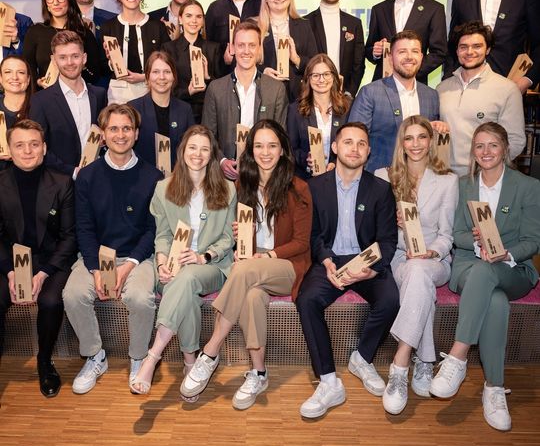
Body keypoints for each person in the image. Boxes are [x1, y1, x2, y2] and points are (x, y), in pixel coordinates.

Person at [180, 120, 312, 409]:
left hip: (287, 265)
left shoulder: (298, 187)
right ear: (250, 150)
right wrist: (243, 234)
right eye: (259, 146)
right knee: (251, 297)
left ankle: (210, 350)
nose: (265, 152)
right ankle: (258, 373)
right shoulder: (242, 186)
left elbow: (302, 242)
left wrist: (267, 256)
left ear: (283, 150)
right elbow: (240, 242)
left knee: (241, 270)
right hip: (253, 264)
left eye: (272, 145)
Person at [430, 122, 540, 432]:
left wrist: (505, 253)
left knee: (491, 277)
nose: (486, 151)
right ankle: (494, 387)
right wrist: (478, 243)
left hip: (514, 269)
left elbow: (534, 240)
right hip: (470, 265)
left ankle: (457, 357)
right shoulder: (463, 185)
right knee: (495, 300)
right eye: (479, 146)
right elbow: (456, 234)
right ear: (473, 152)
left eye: (493, 144)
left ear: (505, 148)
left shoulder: (528, 187)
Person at [296, 122, 399, 419]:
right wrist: (326, 260)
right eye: (348, 142)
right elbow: (313, 234)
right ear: (335, 147)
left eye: (361, 143)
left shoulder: (381, 189)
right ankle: (329, 381)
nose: (354, 148)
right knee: (307, 299)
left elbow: (387, 240)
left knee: (391, 299)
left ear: (368, 151)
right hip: (330, 260)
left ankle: (362, 358)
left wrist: (373, 269)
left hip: (365, 261)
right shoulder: (315, 186)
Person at [62, 104, 162, 394]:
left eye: (127, 128)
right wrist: (95, 269)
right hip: (95, 255)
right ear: (103, 135)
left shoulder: (153, 177)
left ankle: (138, 358)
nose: (121, 134)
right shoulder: (87, 176)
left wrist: (129, 265)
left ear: (136, 133)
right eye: (114, 128)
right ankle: (95, 356)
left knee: (141, 298)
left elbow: (152, 230)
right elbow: (84, 228)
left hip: (138, 257)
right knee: (73, 294)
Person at [130, 124, 236, 396]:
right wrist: (162, 263)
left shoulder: (227, 189)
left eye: (204, 149)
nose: (198, 154)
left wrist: (202, 256)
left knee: (187, 277)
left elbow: (228, 238)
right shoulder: (164, 188)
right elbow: (163, 235)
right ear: (182, 151)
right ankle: (190, 362)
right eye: (192, 147)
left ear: (212, 154)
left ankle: (152, 356)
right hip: (174, 266)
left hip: (211, 266)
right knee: (184, 288)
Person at [374, 116, 458, 415]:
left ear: (430, 141)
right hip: (399, 257)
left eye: (422, 137)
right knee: (417, 280)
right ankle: (424, 361)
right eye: (409, 138)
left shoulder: (447, 180)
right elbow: (375, 230)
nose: (416, 144)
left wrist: (432, 252)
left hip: (435, 260)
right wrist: (393, 223)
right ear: (402, 143)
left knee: (420, 271)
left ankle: (400, 363)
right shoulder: (384, 176)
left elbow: (447, 235)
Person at [0, 119, 77, 397]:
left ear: (44, 148)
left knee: (50, 300)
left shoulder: (62, 183)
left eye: (34, 144)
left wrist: (43, 273)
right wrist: (11, 271)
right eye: (20, 145)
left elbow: (70, 236)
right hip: (8, 259)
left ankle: (45, 362)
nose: (27, 151)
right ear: (9, 149)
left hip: (51, 260)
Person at [437, 21, 525, 176]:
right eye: (463, 47)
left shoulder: (507, 89)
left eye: (477, 46)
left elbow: (515, 140)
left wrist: (487, 172)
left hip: (482, 177)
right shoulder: (442, 89)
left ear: (488, 49)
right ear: (457, 51)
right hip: (444, 177)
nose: (469, 52)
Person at [202, 21, 288, 180]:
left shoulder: (276, 89)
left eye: (252, 45)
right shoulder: (215, 88)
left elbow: (280, 137)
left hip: (264, 175)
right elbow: (208, 135)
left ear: (259, 48)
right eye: (241, 45)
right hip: (225, 178)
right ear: (232, 48)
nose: (246, 51)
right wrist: (221, 161)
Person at [348, 30, 442, 172]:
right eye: (402, 52)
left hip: (421, 177)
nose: (409, 57)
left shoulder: (431, 96)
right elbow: (354, 138)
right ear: (390, 58)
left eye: (415, 51)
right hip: (379, 178)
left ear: (421, 57)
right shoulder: (370, 93)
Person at [28, 30, 107, 178]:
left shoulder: (99, 94)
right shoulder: (40, 101)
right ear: (54, 60)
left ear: (84, 58)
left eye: (75, 56)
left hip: (97, 176)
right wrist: (72, 171)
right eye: (63, 57)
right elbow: (37, 146)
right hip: (59, 181)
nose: (70, 62)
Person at [365, 0, 447, 85]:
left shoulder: (434, 9)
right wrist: (375, 51)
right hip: (382, 84)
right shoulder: (379, 9)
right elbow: (369, 49)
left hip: (415, 83)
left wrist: (410, 71)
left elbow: (439, 52)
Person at [101, 0, 169, 104]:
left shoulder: (157, 26)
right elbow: (102, 67)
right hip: (118, 93)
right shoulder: (108, 27)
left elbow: (167, 62)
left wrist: (144, 77)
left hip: (151, 88)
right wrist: (110, 62)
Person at [22, 0, 103, 87]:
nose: (55, 2)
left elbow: (95, 74)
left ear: (69, 0)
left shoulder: (84, 33)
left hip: (77, 93)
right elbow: (27, 67)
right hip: (45, 93)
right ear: (46, 3)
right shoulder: (35, 31)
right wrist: (38, 82)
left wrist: (81, 65)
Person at [287, 53, 351, 179]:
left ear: (334, 77)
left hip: (340, 178)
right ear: (308, 79)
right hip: (306, 180)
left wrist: (336, 163)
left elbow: (351, 144)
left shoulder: (347, 107)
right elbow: (290, 148)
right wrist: (306, 160)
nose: (321, 80)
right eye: (315, 75)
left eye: (326, 74)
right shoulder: (295, 110)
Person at [305, 0, 365, 97]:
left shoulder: (354, 24)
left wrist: (349, 93)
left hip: (343, 96)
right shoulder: (305, 22)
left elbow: (358, 64)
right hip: (312, 95)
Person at [129, 51, 194, 168]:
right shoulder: (133, 108)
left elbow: (190, 147)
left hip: (176, 175)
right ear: (147, 77)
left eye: (167, 72)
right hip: (142, 175)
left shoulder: (185, 110)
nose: (162, 77)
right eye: (156, 72)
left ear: (174, 77)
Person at [258, 0, 317, 101]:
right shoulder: (255, 27)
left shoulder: (304, 25)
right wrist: (263, 71)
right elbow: (243, 61)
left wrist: (296, 59)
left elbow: (315, 64)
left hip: (297, 98)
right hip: (264, 96)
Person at [162, 0, 221, 123]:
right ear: (180, 19)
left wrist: (207, 77)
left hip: (207, 114)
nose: (194, 21)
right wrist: (188, 92)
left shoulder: (213, 48)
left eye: (198, 17)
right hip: (177, 112)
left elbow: (221, 90)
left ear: (203, 21)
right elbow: (164, 87)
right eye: (189, 16)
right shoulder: (168, 49)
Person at [0, 55, 34, 127]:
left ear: (28, 79)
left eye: (21, 72)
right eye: (8, 72)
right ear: (0, 78)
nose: (15, 77)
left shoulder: (41, 107)